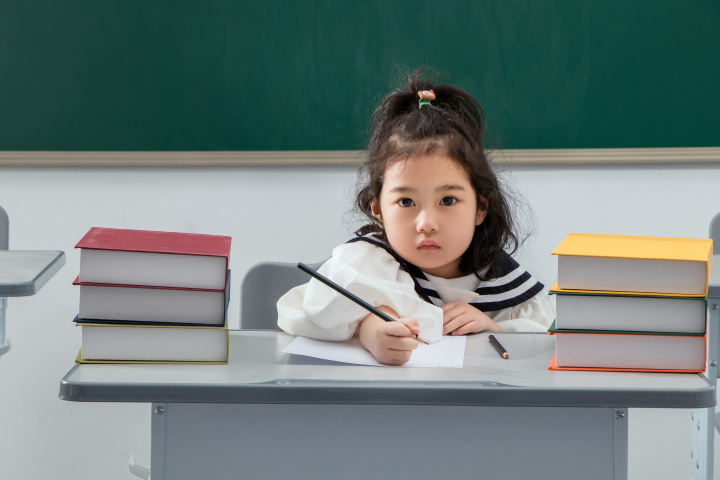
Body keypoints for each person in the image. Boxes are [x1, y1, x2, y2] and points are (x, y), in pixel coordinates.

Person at [277, 70, 555, 365]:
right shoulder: (366, 265)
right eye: (406, 201)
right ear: (378, 210)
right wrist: (371, 330)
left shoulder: (501, 278)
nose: (426, 223)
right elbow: (305, 315)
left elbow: (542, 342)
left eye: (448, 200)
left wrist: (494, 330)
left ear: (480, 208)